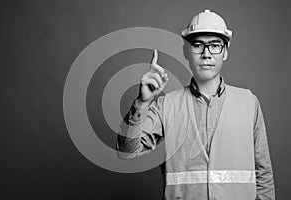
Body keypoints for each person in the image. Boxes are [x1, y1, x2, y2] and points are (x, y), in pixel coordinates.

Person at [117, 9, 275, 200]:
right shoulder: (166, 105)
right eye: (198, 45)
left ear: (225, 52)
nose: (206, 53)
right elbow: (126, 152)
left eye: (215, 45)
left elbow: (264, 175)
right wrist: (142, 102)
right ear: (186, 51)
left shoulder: (249, 102)